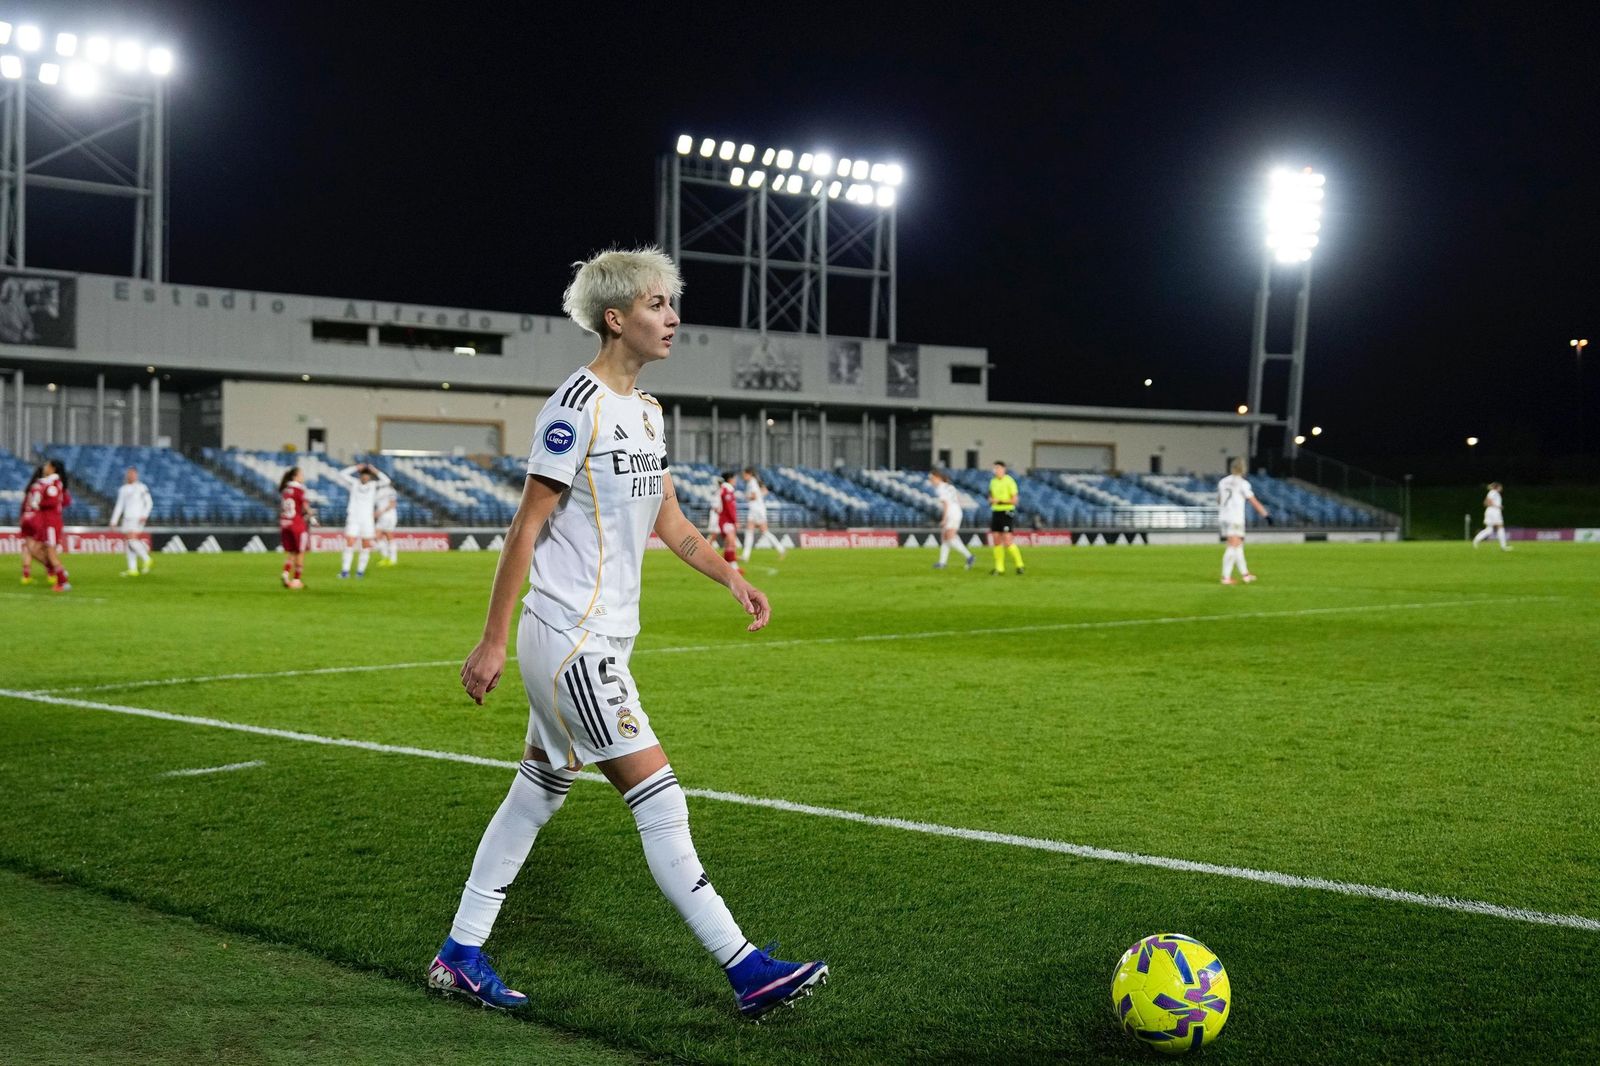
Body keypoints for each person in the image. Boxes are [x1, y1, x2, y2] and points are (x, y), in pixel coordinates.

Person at [427, 247, 826, 1021]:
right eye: (656, 304)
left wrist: (730, 575)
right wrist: (492, 639)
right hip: (571, 639)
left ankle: (459, 954)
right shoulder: (575, 407)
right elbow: (524, 529)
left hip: (598, 639)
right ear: (617, 319)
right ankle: (747, 968)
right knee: (659, 799)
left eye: (672, 303)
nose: (672, 318)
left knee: (536, 794)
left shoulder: (646, 413)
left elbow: (669, 523)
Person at [1217, 458, 1270, 584]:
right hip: (1235, 517)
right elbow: (1253, 501)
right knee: (1233, 546)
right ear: (1243, 469)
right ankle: (1226, 578)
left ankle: (1245, 575)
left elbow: (1219, 499)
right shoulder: (1242, 483)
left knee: (1238, 546)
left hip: (1224, 516)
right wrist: (1266, 515)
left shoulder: (1223, 482)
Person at [337, 461, 391, 579]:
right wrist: (356, 467)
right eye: (363, 474)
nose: (365, 477)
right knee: (350, 542)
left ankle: (360, 571)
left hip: (367, 519)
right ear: (360, 475)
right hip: (353, 518)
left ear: (370, 476)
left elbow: (387, 481)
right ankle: (345, 571)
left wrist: (375, 470)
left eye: (367, 475)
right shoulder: (354, 483)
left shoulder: (373, 485)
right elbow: (342, 474)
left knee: (366, 545)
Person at [32, 459, 71, 592]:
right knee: (35, 550)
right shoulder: (50, 483)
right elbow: (64, 501)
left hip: (51, 523)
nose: (45, 467)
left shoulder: (53, 484)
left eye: (47, 465)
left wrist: (38, 504)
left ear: (53, 468)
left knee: (51, 552)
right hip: (47, 522)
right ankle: (58, 571)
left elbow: (53, 502)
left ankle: (63, 582)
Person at [109, 467, 155, 577]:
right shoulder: (123, 489)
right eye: (129, 474)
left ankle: (147, 559)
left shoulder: (141, 488)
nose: (131, 476)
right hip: (127, 518)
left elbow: (149, 503)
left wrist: (145, 514)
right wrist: (114, 520)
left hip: (137, 517)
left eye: (133, 474)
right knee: (129, 543)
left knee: (131, 539)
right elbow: (119, 506)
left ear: (137, 475)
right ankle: (132, 569)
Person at [930, 469, 975, 570]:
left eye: (932, 479)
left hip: (952, 514)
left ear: (937, 478)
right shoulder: (949, 486)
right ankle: (942, 562)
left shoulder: (940, 488)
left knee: (949, 537)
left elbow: (946, 504)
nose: (931, 481)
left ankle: (969, 556)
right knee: (945, 537)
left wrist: (944, 518)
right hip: (956, 512)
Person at [740, 466, 786, 560]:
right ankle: (780, 549)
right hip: (758, 509)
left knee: (755, 532)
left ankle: (746, 555)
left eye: (744, 474)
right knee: (756, 531)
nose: (743, 476)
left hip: (756, 509)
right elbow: (765, 491)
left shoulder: (752, 482)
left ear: (749, 474)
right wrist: (759, 495)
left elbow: (754, 496)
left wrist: (745, 496)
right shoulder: (755, 481)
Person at [987, 460, 1024, 575]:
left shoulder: (1009, 481)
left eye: (998, 468)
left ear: (1003, 469)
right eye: (995, 469)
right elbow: (990, 496)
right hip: (996, 512)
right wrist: (991, 500)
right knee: (996, 540)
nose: (996, 471)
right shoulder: (992, 482)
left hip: (1007, 511)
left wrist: (1000, 501)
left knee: (1008, 541)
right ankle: (999, 568)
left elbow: (1015, 500)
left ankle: (1019, 564)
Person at [279, 467, 311, 589]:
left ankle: (286, 573)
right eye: (301, 474)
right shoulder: (299, 489)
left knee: (292, 551)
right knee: (300, 552)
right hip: (296, 524)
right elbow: (305, 506)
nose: (302, 476)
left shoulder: (286, 489)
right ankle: (297, 580)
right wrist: (311, 515)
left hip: (285, 523)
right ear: (295, 477)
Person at [18, 464, 43, 584]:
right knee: (44, 546)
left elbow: (23, 505)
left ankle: (26, 575)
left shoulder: (30, 488)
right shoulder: (44, 486)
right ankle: (52, 571)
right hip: (37, 519)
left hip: (26, 518)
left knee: (28, 547)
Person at [1471, 482, 1511, 551]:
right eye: (1500, 487)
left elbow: (1486, 502)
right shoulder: (1493, 492)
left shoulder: (1494, 493)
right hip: (1494, 512)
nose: (1501, 488)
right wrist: (1498, 506)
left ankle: (1476, 540)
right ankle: (1503, 546)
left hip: (1491, 511)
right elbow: (1486, 502)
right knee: (1500, 527)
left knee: (1489, 530)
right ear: (1497, 487)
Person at [715, 470, 740, 571]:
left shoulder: (723, 489)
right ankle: (734, 568)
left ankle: (726, 567)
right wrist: (735, 520)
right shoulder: (727, 490)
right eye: (734, 479)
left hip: (724, 519)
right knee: (731, 543)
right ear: (730, 479)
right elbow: (729, 507)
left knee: (729, 543)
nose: (736, 481)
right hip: (726, 520)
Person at [374, 479, 400, 566]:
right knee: (381, 536)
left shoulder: (390, 490)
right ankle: (388, 558)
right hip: (384, 517)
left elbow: (392, 504)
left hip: (388, 516)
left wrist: (380, 512)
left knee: (385, 536)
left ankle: (391, 559)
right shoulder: (380, 491)